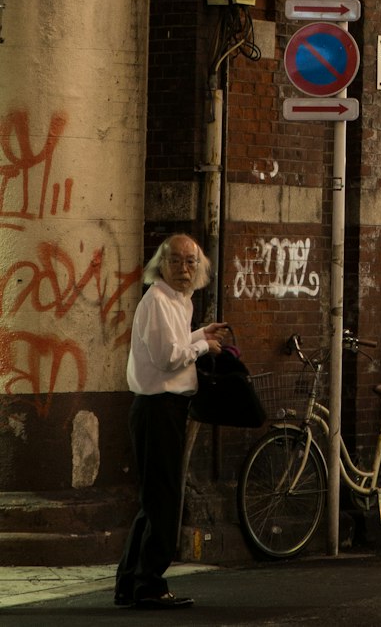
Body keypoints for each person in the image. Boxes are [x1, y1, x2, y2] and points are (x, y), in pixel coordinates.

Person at [115, 234, 229, 610]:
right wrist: (202, 347)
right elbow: (168, 358)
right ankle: (149, 585)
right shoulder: (159, 301)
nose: (184, 269)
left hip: (163, 409)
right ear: (160, 265)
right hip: (157, 409)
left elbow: (171, 345)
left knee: (154, 499)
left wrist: (199, 334)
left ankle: (132, 583)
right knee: (163, 500)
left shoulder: (180, 301)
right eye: (176, 261)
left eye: (191, 262)